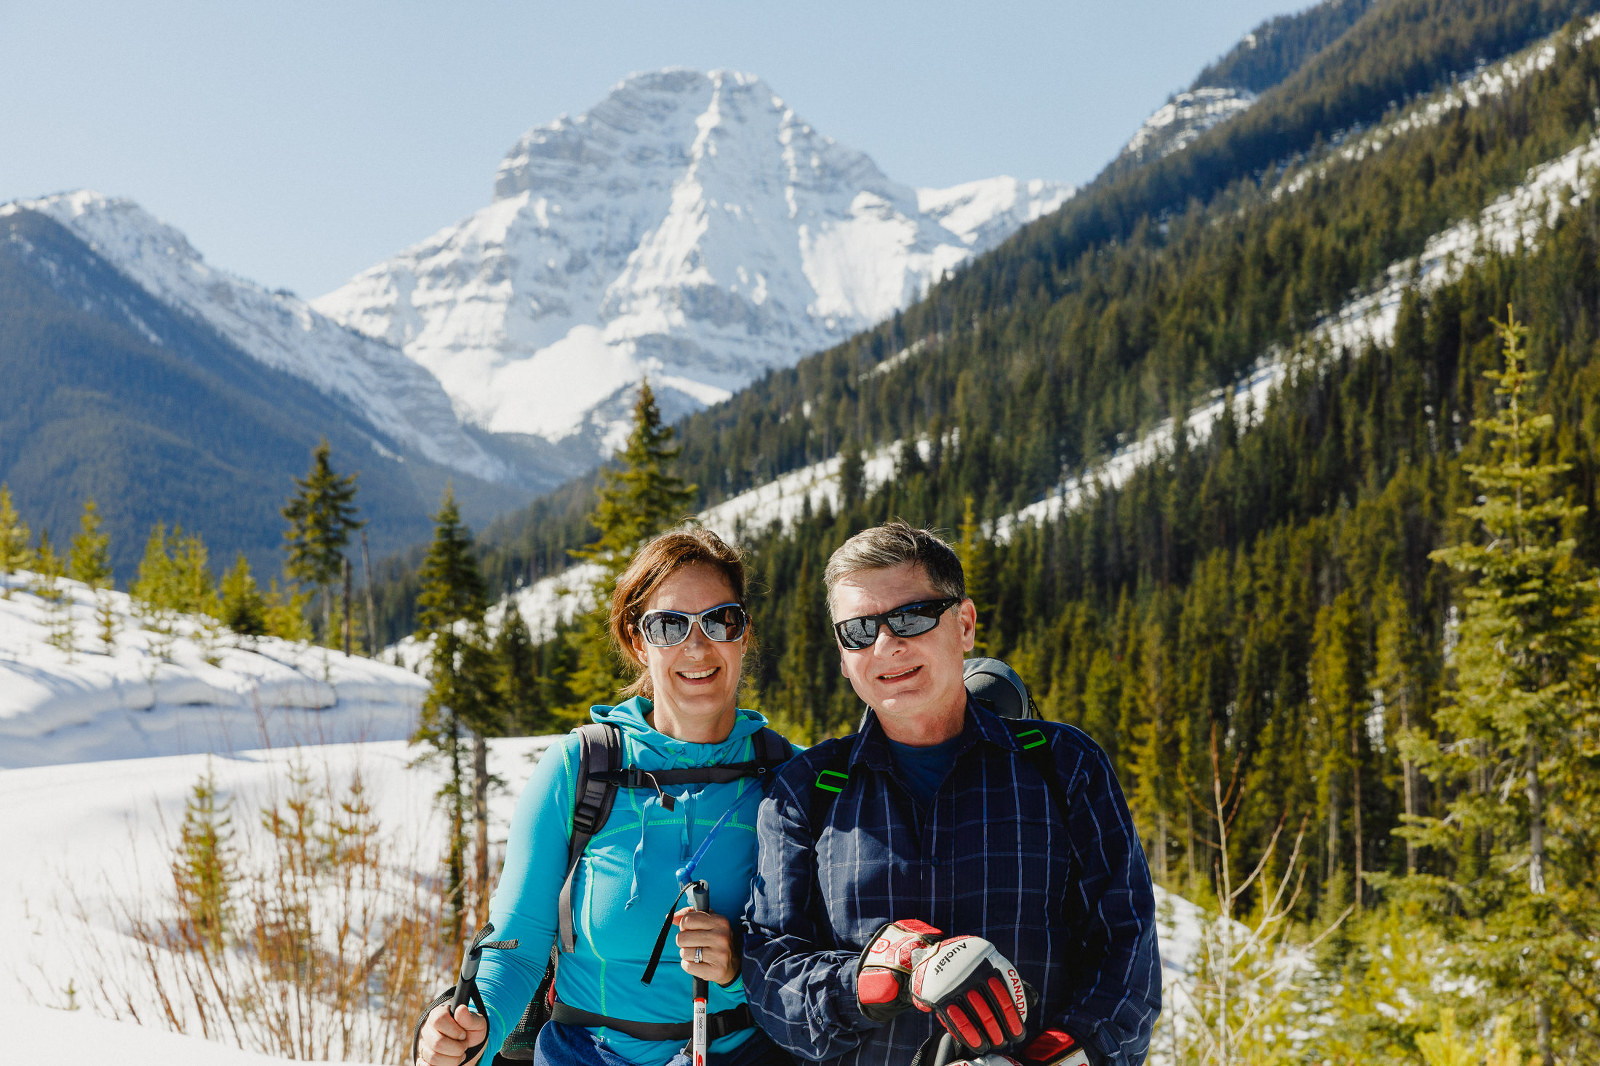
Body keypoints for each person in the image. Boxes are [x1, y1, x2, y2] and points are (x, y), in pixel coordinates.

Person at [741, 523, 1161, 1066]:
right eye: (859, 630)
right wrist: (873, 978)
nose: (886, 644)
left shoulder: (1063, 764)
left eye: (911, 617)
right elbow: (772, 975)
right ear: (843, 656)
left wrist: (1063, 1055)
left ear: (963, 624)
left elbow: (1127, 951)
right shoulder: (807, 790)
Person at [417, 527, 795, 1066]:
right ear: (637, 641)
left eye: (720, 620)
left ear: (743, 632)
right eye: (668, 625)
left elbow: (816, 958)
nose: (697, 646)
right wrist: (471, 1029)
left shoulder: (790, 777)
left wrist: (739, 969)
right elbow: (517, 945)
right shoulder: (579, 770)